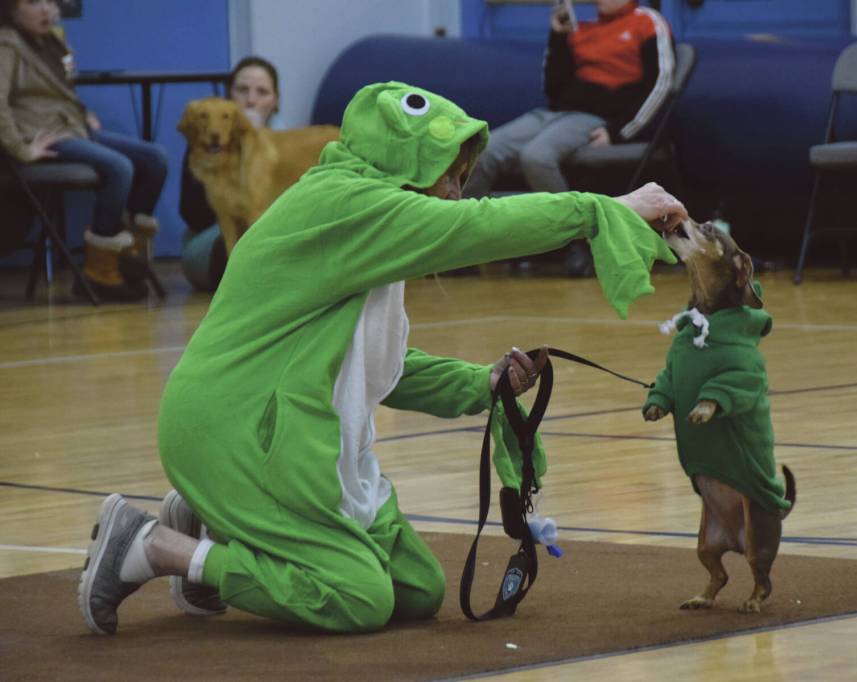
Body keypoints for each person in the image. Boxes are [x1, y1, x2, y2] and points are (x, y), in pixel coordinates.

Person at [77, 81, 688, 635]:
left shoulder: (367, 224)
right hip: (239, 432)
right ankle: (154, 547)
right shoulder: (347, 204)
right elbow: (480, 227)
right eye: (447, 173)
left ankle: (216, 522)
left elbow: (374, 368)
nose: (455, 190)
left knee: (416, 591)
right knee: (355, 597)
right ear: (402, 160)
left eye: (461, 176)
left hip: (271, 429)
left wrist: (484, 383)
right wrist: (603, 210)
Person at [464, 0, 675, 277]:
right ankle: (468, 245)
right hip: (553, 114)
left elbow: (661, 85)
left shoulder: (647, 21)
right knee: (480, 149)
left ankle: (575, 243)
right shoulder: (582, 29)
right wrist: (559, 36)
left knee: (536, 156)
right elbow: (554, 88)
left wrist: (619, 133)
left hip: (595, 119)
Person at [0, 0, 168, 301]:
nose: (46, 10)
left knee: (155, 158)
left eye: (50, 2)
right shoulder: (7, 43)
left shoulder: (50, 40)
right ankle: (99, 271)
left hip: (73, 126)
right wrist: (21, 150)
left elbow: (60, 92)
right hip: (44, 133)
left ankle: (128, 252)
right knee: (119, 167)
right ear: (11, 8)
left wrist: (83, 110)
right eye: (34, 2)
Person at [179, 56, 279, 291]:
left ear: (275, 102)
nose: (250, 100)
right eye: (242, 90)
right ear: (229, 96)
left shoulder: (285, 141)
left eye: (262, 92)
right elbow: (193, 216)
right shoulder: (203, 144)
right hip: (211, 237)